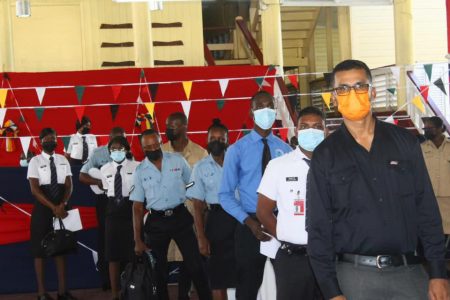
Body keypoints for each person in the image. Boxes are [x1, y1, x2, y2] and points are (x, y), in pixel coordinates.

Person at [307, 59, 449, 300]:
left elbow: (426, 208)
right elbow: (318, 228)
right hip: (354, 278)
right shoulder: (325, 155)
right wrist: (332, 291)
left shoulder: (404, 142)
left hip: (408, 273)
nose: (352, 93)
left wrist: (438, 272)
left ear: (372, 92)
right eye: (343, 88)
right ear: (334, 97)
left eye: (359, 86)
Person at [219, 90, 292, 299]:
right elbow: (225, 194)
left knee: (289, 282)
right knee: (248, 287)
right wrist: (250, 223)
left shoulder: (285, 149)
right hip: (250, 225)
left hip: (280, 224)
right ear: (252, 113)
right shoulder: (237, 150)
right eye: (260, 107)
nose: (265, 111)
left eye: (269, 106)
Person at [130, 129, 212, 300]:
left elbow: (192, 184)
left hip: (180, 217)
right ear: (142, 148)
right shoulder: (140, 171)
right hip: (156, 221)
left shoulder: (177, 160)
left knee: (195, 265)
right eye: (148, 147)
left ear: (161, 142)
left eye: (155, 144)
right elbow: (137, 207)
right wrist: (137, 239)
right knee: (159, 271)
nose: (153, 149)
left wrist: (190, 196)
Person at [256, 106, 325, 300]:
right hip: (293, 259)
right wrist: (284, 235)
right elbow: (263, 211)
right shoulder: (278, 166)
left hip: (330, 258)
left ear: (325, 130)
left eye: (317, 126)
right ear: (296, 130)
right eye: (304, 126)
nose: (310, 131)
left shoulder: (338, 164)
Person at [186, 119, 237, 300]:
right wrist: (201, 237)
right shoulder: (199, 168)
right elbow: (197, 206)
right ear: (207, 140)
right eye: (212, 138)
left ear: (227, 140)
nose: (216, 141)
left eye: (221, 138)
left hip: (241, 221)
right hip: (216, 221)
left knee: (246, 275)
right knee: (218, 278)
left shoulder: (238, 162)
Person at [162, 111, 208, 299]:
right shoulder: (161, 151)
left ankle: (185, 294)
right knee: (166, 261)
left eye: (172, 125)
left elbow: (205, 186)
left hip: (192, 215)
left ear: (184, 126)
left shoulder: (200, 153)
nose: (168, 129)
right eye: (167, 125)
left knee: (190, 260)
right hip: (166, 216)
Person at [27, 128, 76, 300]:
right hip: (42, 209)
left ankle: (62, 292)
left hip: (62, 208)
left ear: (57, 140)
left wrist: (62, 205)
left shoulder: (63, 160)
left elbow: (69, 185)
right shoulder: (35, 161)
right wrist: (52, 207)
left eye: (53, 138)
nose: (51, 140)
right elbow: (34, 189)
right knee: (39, 251)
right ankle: (42, 294)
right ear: (41, 141)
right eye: (47, 138)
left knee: (61, 248)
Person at [79, 127, 126, 289]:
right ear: (109, 138)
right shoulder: (98, 154)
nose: (120, 144)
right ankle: (107, 281)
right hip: (105, 202)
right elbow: (82, 176)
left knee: (127, 238)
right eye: (116, 140)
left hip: (125, 201)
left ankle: (128, 278)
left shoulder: (129, 153)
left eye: (123, 140)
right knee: (106, 239)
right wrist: (99, 183)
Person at [100, 135, 139, 300]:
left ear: (126, 150)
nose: (116, 152)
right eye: (113, 149)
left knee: (132, 254)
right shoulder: (104, 169)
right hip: (112, 212)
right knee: (112, 255)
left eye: (120, 149)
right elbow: (105, 188)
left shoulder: (137, 166)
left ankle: (133, 290)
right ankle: (115, 293)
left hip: (131, 210)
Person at [421, 117, 450, 242]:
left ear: (440, 129)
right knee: (431, 228)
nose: (426, 131)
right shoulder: (421, 148)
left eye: (429, 128)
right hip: (428, 196)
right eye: (425, 128)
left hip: (448, 196)